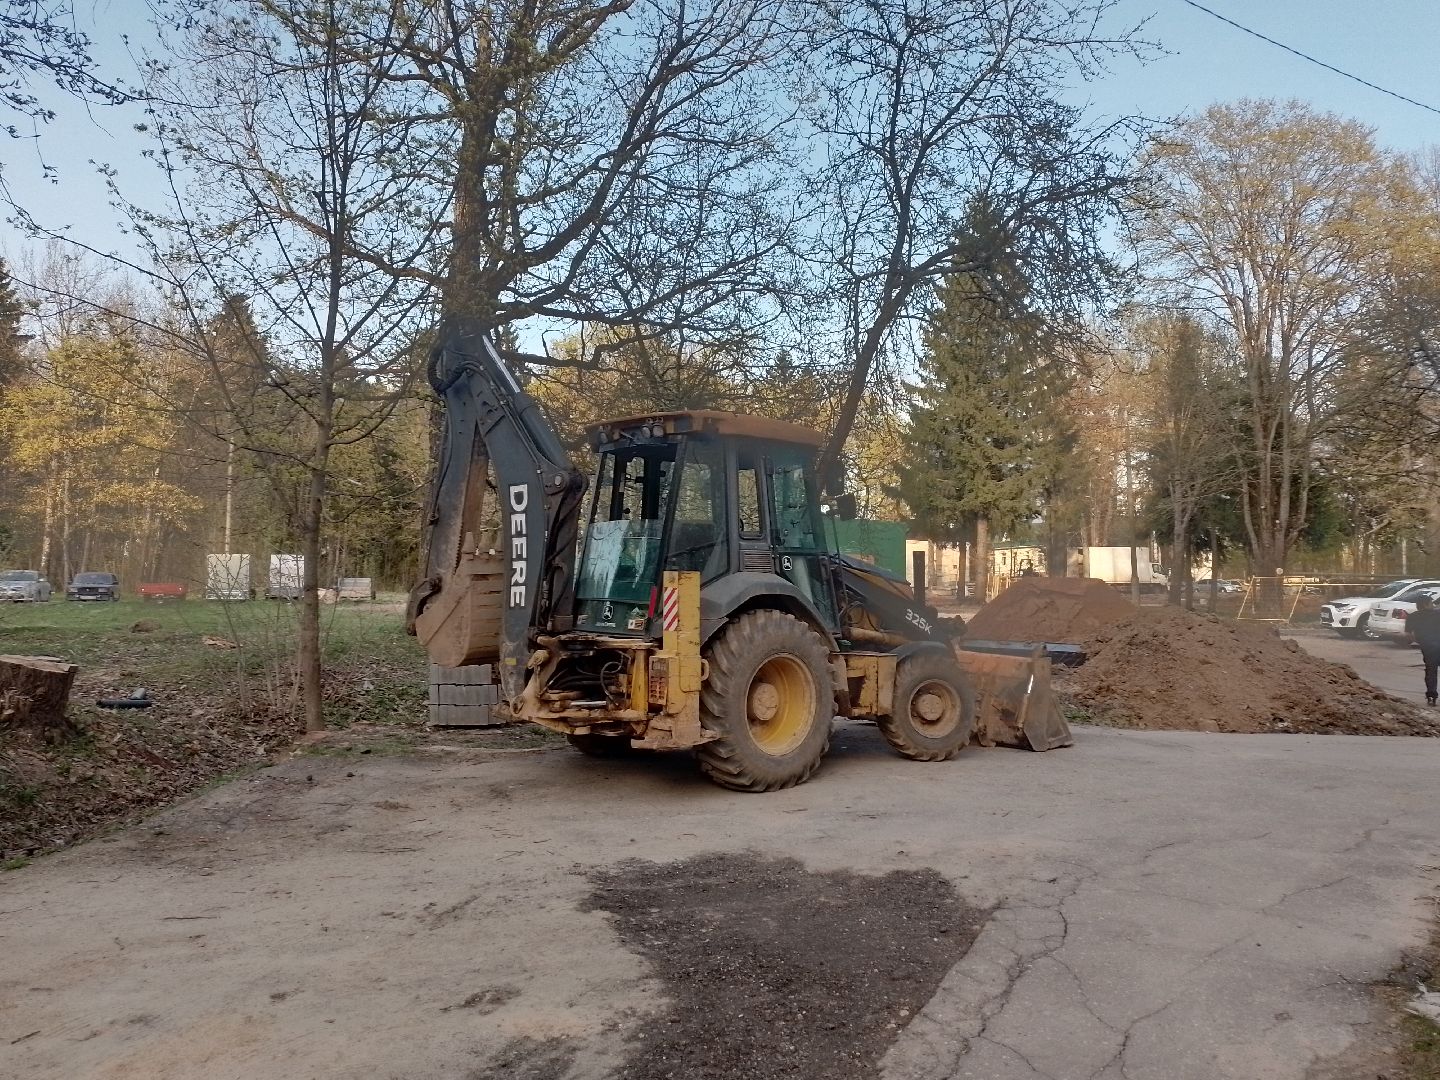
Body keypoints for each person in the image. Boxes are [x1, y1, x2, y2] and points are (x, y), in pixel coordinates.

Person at [1406, 595, 1440, 706]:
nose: (1433, 605)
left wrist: (1420, 642)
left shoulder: (1412, 617)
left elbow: (1408, 634)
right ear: (1425, 604)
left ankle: (1431, 697)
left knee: (1431, 671)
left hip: (1428, 648)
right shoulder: (1437, 614)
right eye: (1431, 603)